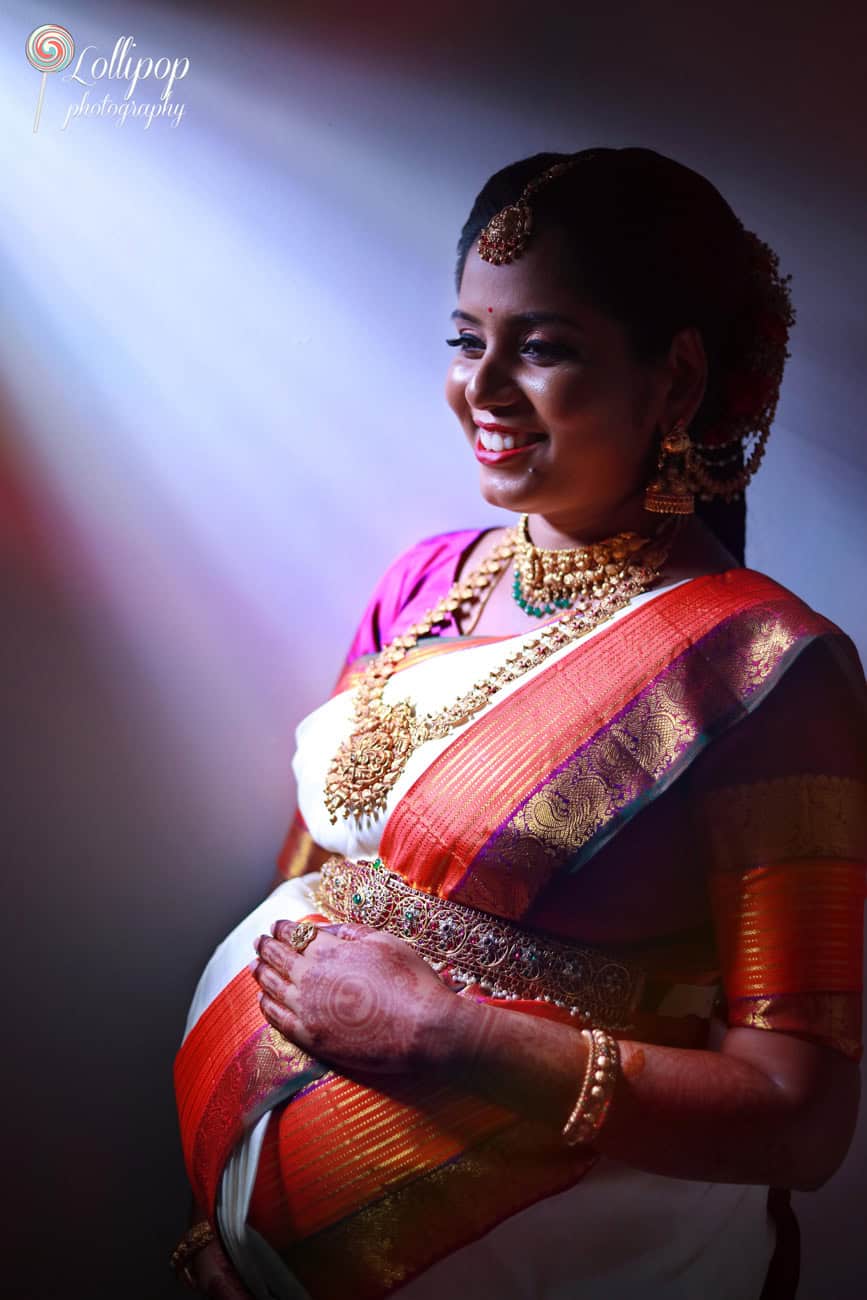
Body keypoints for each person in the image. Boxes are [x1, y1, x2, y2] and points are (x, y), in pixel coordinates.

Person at [171, 147, 867, 1300]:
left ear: (677, 382)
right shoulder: (425, 580)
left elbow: (798, 1121)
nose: (482, 386)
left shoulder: (768, 669)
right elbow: (317, 879)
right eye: (465, 339)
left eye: (541, 348)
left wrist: (452, 1035)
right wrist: (233, 1216)